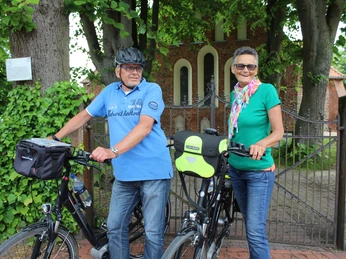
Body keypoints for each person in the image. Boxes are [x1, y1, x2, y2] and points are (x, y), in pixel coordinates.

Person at [52, 47, 173, 259]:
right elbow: (84, 116)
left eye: (138, 68)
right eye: (129, 68)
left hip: (153, 172)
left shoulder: (151, 90)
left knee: (153, 233)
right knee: (115, 228)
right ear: (118, 71)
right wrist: (56, 138)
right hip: (125, 175)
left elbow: (144, 127)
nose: (135, 72)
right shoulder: (110, 92)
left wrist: (112, 151)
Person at [227, 46, 284, 259]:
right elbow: (237, 131)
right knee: (251, 227)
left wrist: (262, 143)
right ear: (233, 68)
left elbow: (278, 132)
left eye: (250, 66)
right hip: (236, 170)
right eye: (241, 65)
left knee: (255, 231)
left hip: (259, 172)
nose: (246, 69)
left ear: (256, 69)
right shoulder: (236, 94)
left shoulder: (266, 91)